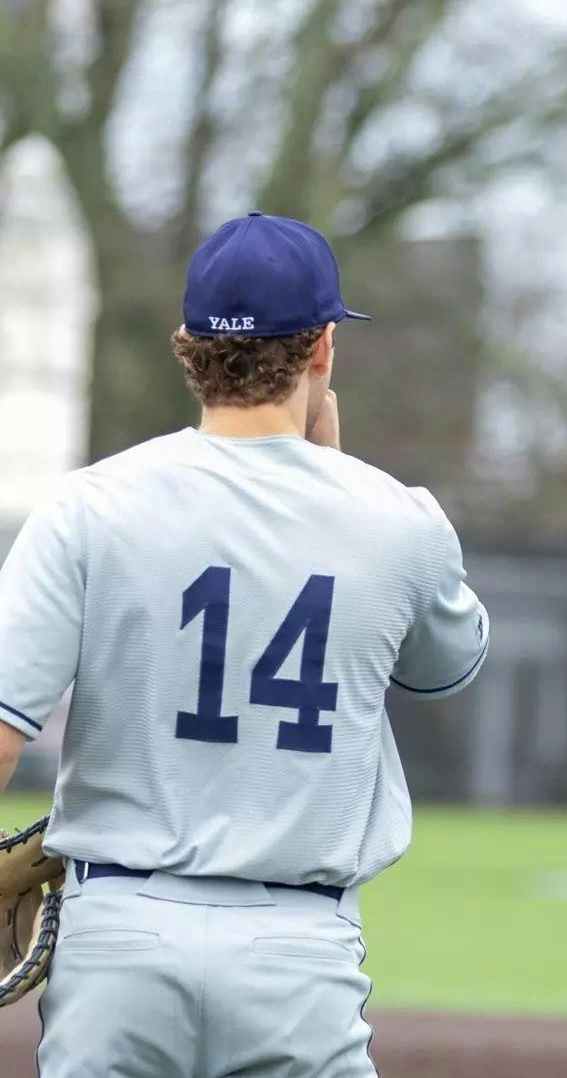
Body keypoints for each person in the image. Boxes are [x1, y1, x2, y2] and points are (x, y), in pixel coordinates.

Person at [0, 211, 489, 1075]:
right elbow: (445, 669)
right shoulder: (398, 520)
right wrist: (339, 473)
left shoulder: (89, 505)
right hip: (296, 949)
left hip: (119, 935)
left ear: (188, 347)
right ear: (323, 348)